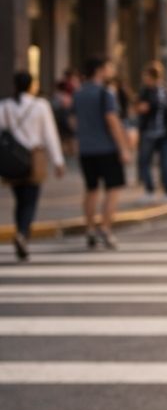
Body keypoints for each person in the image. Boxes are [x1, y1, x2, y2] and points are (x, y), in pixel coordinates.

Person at [0, 71, 65, 261]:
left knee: (20, 199)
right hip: (35, 156)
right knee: (30, 199)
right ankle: (22, 233)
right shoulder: (40, 105)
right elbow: (50, 135)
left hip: (12, 160)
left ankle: (21, 230)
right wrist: (58, 161)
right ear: (31, 85)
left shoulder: (4, 106)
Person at [72, 56, 132, 249]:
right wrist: (124, 147)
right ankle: (105, 228)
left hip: (85, 149)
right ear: (99, 70)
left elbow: (74, 121)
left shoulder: (79, 93)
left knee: (91, 190)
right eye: (108, 66)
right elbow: (112, 121)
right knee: (112, 189)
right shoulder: (105, 93)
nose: (111, 69)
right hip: (106, 148)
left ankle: (90, 229)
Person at [135, 61, 167, 203]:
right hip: (163, 132)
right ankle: (165, 192)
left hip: (152, 132)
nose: (145, 79)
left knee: (147, 162)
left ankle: (152, 191)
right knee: (164, 163)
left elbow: (141, 108)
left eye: (147, 76)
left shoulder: (148, 91)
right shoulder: (166, 90)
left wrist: (146, 107)